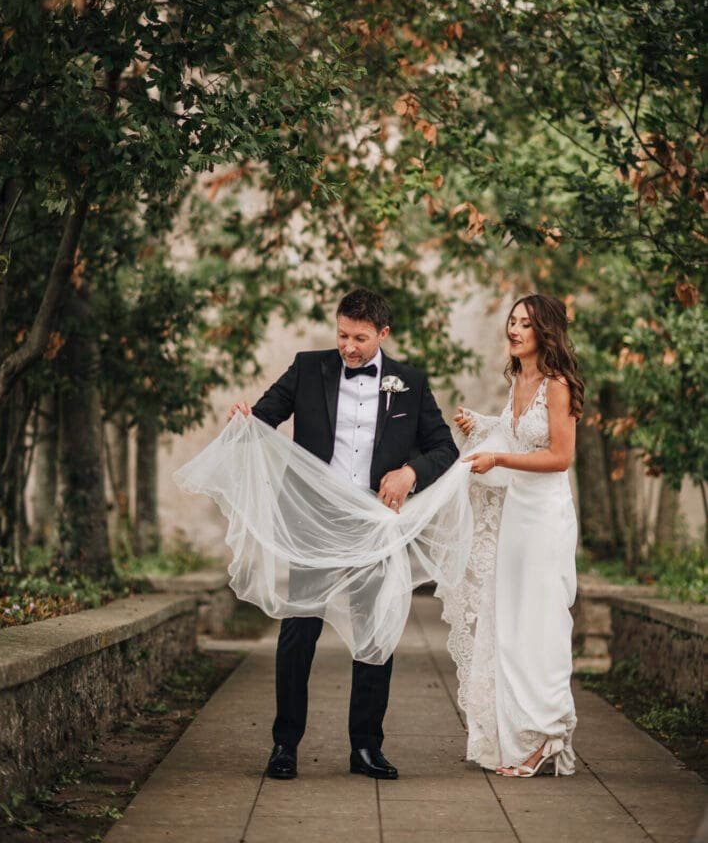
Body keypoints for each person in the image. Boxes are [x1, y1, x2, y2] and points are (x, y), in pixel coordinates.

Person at [227, 288, 459, 782]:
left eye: (359, 338)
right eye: (342, 335)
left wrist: (409, 474)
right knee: (298, 632)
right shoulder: (309, 368)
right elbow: (265, 417)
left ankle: (366, 748)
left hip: (374, 526)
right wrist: (245, 420)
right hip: (315, 521)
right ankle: (285, 744)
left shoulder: (411, 384)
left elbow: (444, 449)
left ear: (383, 334)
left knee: (376, 633)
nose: (348, 347)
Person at [447, 293, 584, 777]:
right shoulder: (519, 380)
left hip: (544, 518)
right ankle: (515, 733)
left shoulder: (558, 385)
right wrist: (481, 426)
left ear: (545, 331)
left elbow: (558, 458)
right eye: (512, 321)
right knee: (511, 623)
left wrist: (498, 458)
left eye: (525, 323)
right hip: (515, 516)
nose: (515, 329)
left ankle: (545, 735)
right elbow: (515, 434)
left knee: (539, 623)